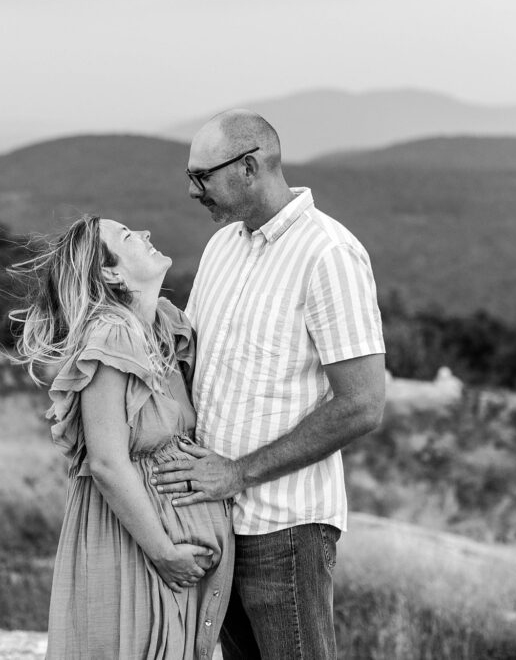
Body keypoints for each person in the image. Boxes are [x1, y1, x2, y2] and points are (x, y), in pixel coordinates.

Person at [152, 110, 386, 659]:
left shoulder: (329, 253)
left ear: (249, 167)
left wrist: (238, 472)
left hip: (285, 527)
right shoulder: (222, 247)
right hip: (212, 523)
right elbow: (189, 362)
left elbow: (363, 405)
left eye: (201, 176)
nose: (192, 191)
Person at [9, 216, 233, 659]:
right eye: (128, 236)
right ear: (111, 273)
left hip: (171, 557)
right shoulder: (112, 335)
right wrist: (165, 551)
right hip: (137, 547)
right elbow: (107, 462)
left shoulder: (164, 328)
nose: (147, 234)